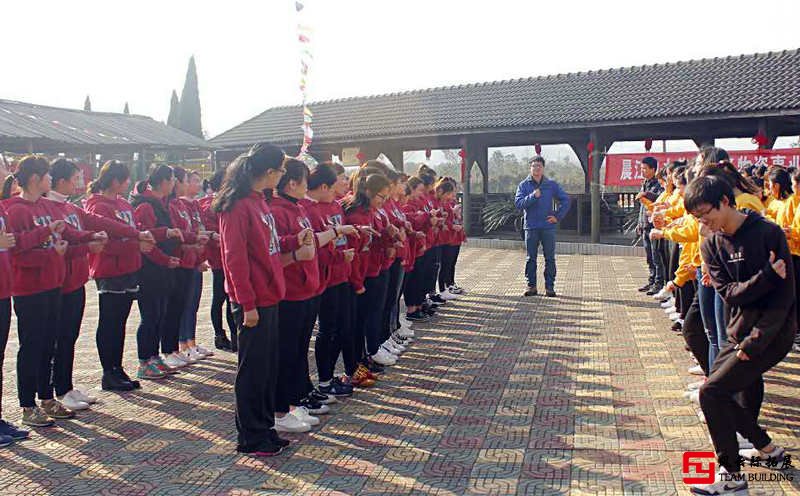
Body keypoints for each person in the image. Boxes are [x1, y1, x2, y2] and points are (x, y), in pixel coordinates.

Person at [684, 175, 795, 494]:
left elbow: (783, 298)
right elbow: (731, 295)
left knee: (711, 394)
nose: (704, 222)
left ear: (725, 201)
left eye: (707, 213)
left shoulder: (768, 233)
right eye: (697, 217)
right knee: (714, 392)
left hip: (773, 333)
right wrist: (765, 277)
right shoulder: (711, 244)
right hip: (738, 332)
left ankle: (732, 477)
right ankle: (769, 451)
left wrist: (755, 341)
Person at [214, 143, 304, 457]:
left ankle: (265, 427)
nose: (282, 175)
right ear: (268, 172)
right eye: (281, 170)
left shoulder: (259, 202)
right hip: (252, 300)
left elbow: (270, 244)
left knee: (267, 367)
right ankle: (251, 436)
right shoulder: (236, 206)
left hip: (270, 295)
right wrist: (247, 303)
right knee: (252, 370)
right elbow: (234, 259)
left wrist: (296, 240)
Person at [514, 155, 571, 297]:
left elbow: (566, 200)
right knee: (530, 258)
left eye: (539, 166)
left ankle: (550, 287)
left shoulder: (551, 185)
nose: (536, 168)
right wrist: (533, 196)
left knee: (550, 258)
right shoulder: (524, 185)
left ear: (543, 168)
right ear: (530, 168)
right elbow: (519, 204)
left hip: (547, 227)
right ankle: (531, 286)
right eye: (534, 166)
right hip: (531, 226)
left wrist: (557, 216)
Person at [200, 169, 236, 352]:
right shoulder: (209, 204)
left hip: (228, 256)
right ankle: (219, 335)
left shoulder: (229, 201)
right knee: (220, 298)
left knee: (231, 298)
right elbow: (211, 230)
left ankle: (235, 335)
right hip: (218, 258)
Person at [634, 156, 664, 295]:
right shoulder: (644, 183)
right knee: (649, 256)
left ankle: (658, 283)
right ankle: (651, 280)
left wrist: (645, 194)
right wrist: (639, 223)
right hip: (645, 225)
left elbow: (658, 199)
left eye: (645, 169)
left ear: (653, 169)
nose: (642, 171)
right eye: (641, 169)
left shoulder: (658, 184)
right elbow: (642, 208)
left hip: (654, 226)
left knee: (656, 255)